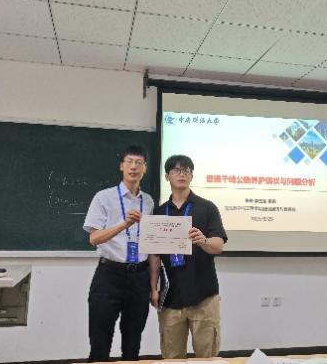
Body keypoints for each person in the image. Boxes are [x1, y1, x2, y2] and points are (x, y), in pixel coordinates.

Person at [149, 154, 227, 359]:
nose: (182, 174)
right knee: (172, 357)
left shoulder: (207, 207)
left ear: (192, 175)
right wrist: (153, 287)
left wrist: (203, 241)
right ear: (167, 176)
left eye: (186, 170)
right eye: (176, 170)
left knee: (207, 358)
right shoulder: (158, 213)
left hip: (204, 296)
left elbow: (218, 245)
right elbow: (154, 255)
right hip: (171, 296)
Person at [83, 145, 154, 362]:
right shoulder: (104, 197)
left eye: (139, 163)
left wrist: (153, 286)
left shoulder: (148, 202)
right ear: (121, 166)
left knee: (133, 342)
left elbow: (151, 245)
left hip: (139, 277)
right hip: (109, 275)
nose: (134, 167)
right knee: (100, 340)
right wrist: (124, 224)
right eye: (129, 162)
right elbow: (94, 238)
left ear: (145, 168)